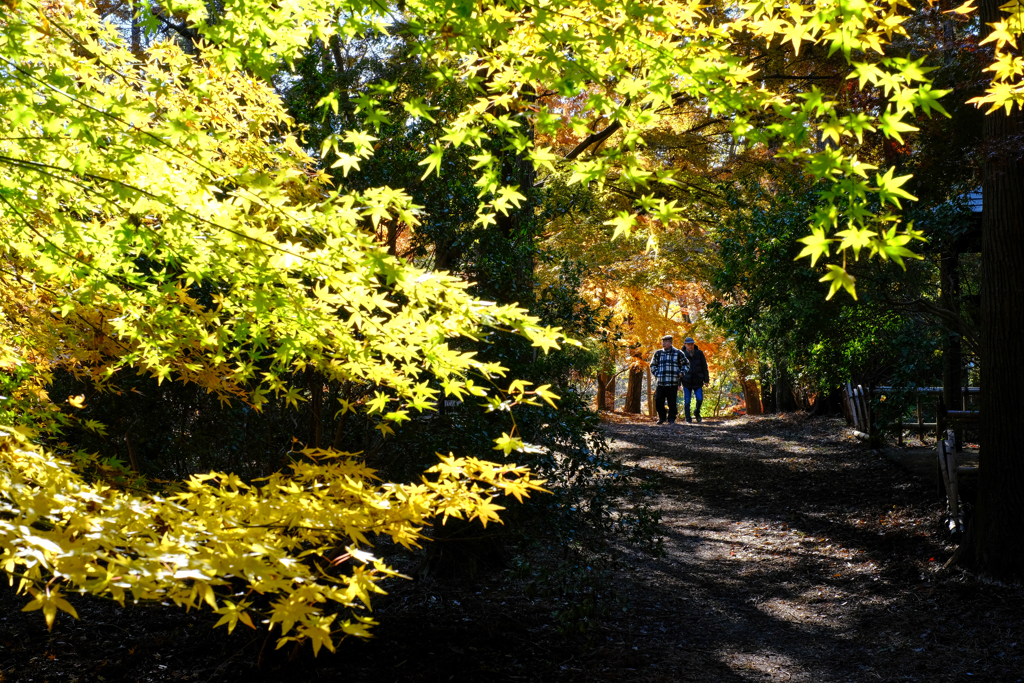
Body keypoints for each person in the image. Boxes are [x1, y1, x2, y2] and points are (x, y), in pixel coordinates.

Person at [650, 334, 687, 424]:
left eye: (665, 342)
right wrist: (657, 373)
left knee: (672, 402)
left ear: (670, 342)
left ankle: (671, 419)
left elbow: (686, 364)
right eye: (662, 342)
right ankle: (662, 418)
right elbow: (652, 365)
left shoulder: (678, 353)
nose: (663, 343)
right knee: (658, 400)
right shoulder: (658, 353)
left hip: (673, 382)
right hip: (661, 382)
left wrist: (682, 372)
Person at [680, 337, 710, 423]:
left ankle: (697, 412)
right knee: (687, 402)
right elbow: (679, 369)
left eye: (692, 344)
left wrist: (706, 380)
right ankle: (688, 418)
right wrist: (679, 383)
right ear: (685, 345)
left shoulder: (699, 353)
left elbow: (704, 367)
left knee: (700, 399)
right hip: (686, 381)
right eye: (688, 344)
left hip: (698, 380)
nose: (690, 346)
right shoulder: (681, 354)